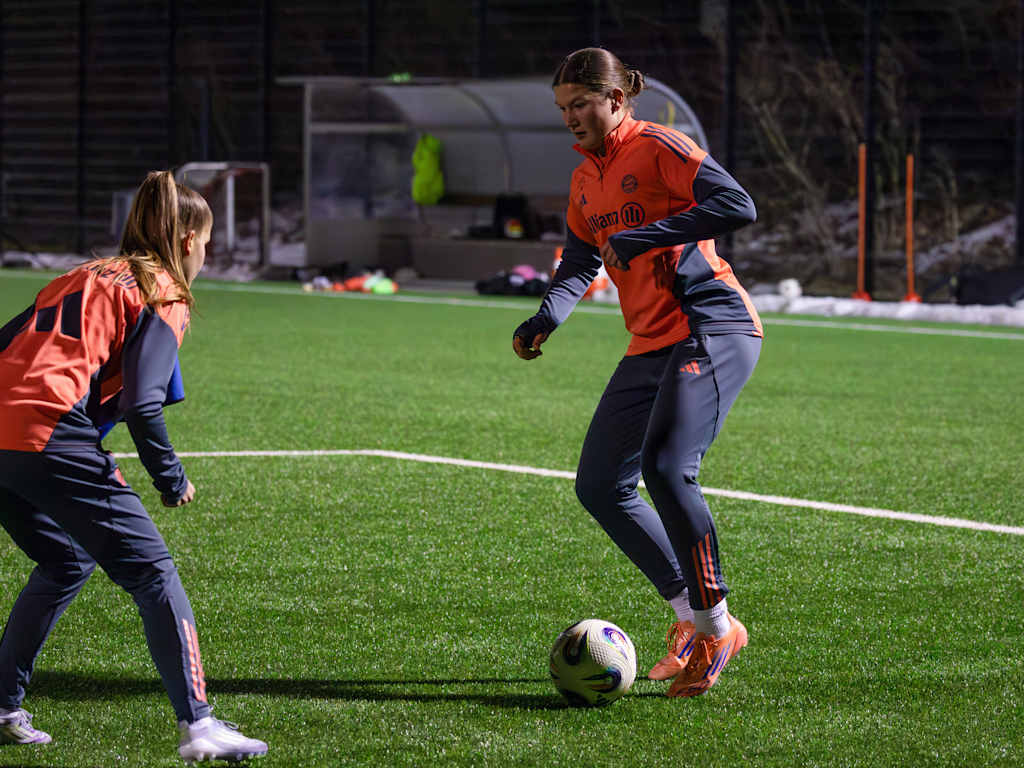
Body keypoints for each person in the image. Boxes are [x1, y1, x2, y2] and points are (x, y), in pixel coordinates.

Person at [513, 48, 763, 698]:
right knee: (599, 485)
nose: (571, 118)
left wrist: (651, 235)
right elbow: (578, 259)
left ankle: (718, 627)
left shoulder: (660, 148)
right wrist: (546, 318)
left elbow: (738, 204)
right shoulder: (584, 180)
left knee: (666, 467)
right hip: (651, 342)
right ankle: (688, 616)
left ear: (618, 100)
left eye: (582, 105)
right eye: (563, 108)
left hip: (713, 324)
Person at [0, 171, 268, 761]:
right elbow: (140, 400)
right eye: (208, 240)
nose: (209, 252)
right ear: (189, 237)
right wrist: (171, 479)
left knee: (65, 560)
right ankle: (199, 726)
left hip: (6, 435)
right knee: (153, 574)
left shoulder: (81, 273)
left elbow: (6, 343)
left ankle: (2, 705)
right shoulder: (163, 289)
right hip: (45, 430)